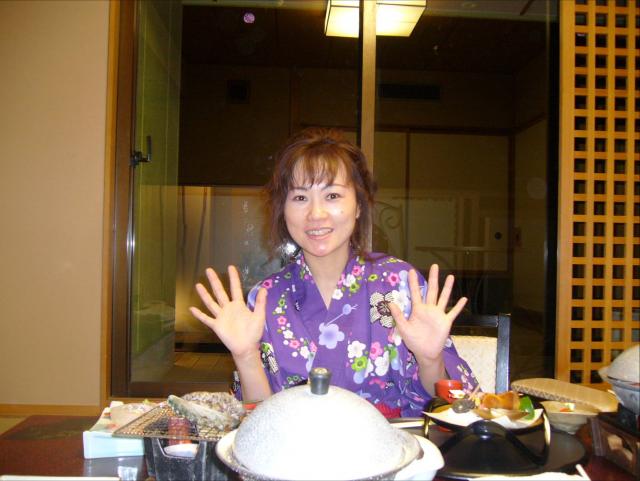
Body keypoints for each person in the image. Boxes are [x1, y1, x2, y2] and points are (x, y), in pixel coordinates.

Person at [190, 128, 478, 417]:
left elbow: (450, 406)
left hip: (391, 443)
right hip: (294, 445)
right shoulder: (267, 297)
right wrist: (245, 356)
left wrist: (430, 360)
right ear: (283, 210)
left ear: (359, 206)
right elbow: (261, 420)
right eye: (300, 198)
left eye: (332, 195)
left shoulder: (400, 284)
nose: (316, 214)